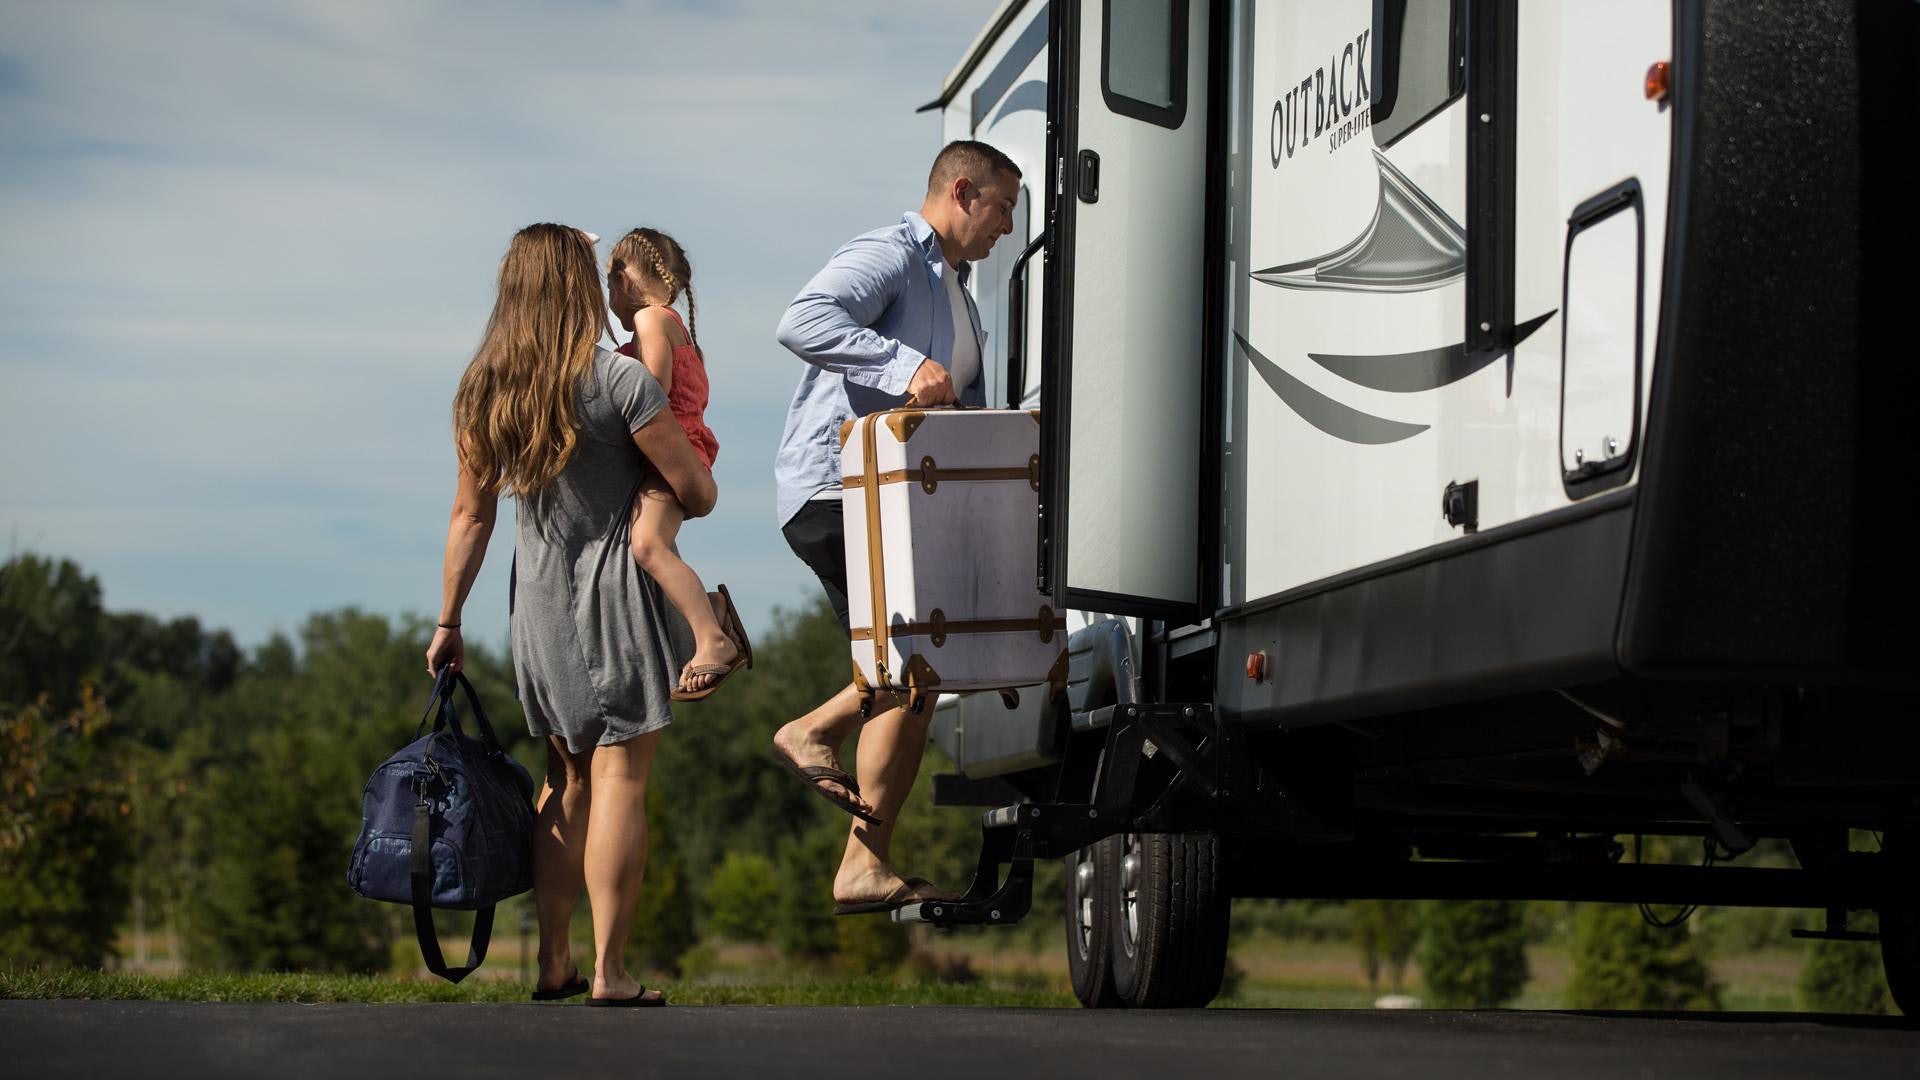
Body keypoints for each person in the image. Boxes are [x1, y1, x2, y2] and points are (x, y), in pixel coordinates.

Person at [426, 223, 716, 1005]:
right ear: (577, 290)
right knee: (622, 776)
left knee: (564, 780)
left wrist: (449, 621)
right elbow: (696, 491)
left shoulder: (486, 390)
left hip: (538, 605)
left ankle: (553, 963)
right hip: (614, 598)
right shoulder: (619, 384)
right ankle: (610, 973)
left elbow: (469, 517)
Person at [770, 140, 1021, 914]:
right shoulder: (891, 255)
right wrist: (902, 367)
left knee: (916, 673)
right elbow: (802, 320)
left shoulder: (958, 291)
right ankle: (815, 743)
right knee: (911, 666)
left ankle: (860, 856)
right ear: (961, 190)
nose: (1008, 228)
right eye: (1003, 207)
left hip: (895, 502)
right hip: (839, 491)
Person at [606, 227, 750, 701]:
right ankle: (710, 609)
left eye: (609, 281)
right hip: (679, 456)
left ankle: (712, 638)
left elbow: (651, 389)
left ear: (624, 278)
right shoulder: (671, 323)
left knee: (647, 545)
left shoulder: (650, 319)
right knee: (655, 545)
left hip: (671, 457)